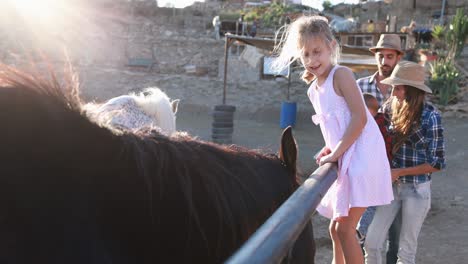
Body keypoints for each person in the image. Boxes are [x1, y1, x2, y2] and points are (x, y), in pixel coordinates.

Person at [274, 15, 393, 264]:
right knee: (334, 229)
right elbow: (336, 126)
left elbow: (360, 118)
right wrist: (331, 146)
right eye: (305, 54)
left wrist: (336, 152)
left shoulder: (341, 75)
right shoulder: (312, 89)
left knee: (344, 230)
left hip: (362, 156)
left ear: (331, 47)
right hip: (347, 156)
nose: (311, 60)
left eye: (317, 51)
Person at [364, 61, 446, 264]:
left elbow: (437, 163)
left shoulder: (431, 116)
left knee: (406, 252)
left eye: (398, 88)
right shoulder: (390, 108)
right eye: (392, 87)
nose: (393, 93)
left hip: (417, 189)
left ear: (412, 91)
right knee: (371, 243)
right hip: (390, 186)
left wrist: (399, 172)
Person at [356, 33, 404, 263]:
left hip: (398, 172)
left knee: (396, 233)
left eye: (390, 56)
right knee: (366, 231)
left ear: (398, 58)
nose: (385, 61)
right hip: (367, 170)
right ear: (375, 57)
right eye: (381, 56)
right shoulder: (359, 86)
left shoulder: (405, 90)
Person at [356, 94, 393, 249]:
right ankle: (359, 232)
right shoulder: (381, 123)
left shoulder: (371, 125)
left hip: (375, 170)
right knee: (366, 203)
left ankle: (360, 231)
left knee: (370, 204)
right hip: (378, 168)